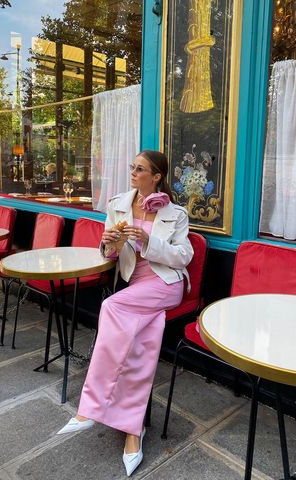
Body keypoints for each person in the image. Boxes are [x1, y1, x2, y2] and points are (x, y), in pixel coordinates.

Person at [57, 150, 194, 476]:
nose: (133, 172)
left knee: (111, 305)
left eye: (140, 168)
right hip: (136, 286)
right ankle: (134, 432)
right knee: (140, 342)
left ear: (156, 176)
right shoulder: (118, 204)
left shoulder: (176, 214)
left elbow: (184, 256)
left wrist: (148, 241)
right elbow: (110, 254)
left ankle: (90, 408)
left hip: (165, 283)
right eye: (132, 167)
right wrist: (109, 244)